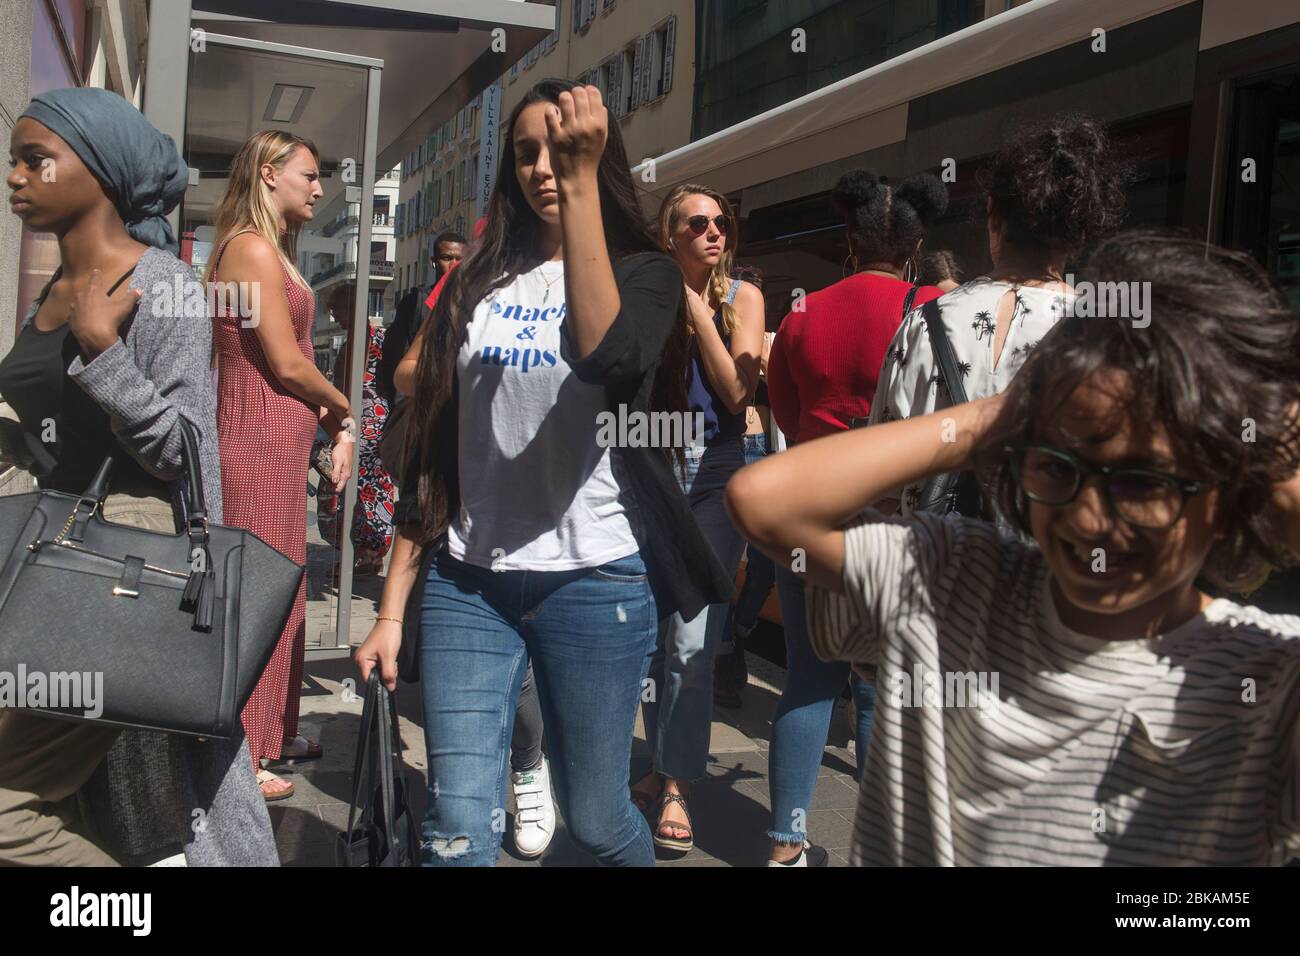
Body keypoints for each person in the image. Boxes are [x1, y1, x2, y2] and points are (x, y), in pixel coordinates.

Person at [728, 231, 1300, 866]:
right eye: (1058, 469)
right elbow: (766, 500)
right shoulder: (957, 577)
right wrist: (1013, 411)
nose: (1088, 518)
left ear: (1223, 492)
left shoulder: (1265, 681)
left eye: (1140, 483)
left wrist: (1265, 457)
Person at [356, 80, 731, 867]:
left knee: (596, 824)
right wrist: (392, 608)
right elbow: (435, 447)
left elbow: (607, 354)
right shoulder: (476, 279)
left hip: (595, 581)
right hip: (468, 586)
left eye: (560, 151)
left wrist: (585, 182)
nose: (542, 168)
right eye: (526, 152)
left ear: (596, 157)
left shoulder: (646, 274)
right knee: (455, 826)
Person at [0, 87, 276, 866]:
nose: (16, 178)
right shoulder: (51, 294)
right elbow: (50, 440)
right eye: (13, 160)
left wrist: (105, 353)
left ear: (97, 168)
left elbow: (186, 451)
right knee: (86, 808)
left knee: (11, 816)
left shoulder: (165, 285)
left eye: (35, 159)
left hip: (114, 585)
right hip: (46, 574)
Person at [763, 168, 948, 865]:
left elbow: (782, 414)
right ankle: (881, 842)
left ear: (849, 237)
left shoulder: (804, 314)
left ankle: (786, 844)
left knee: (807, 677)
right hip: (895, 519)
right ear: (916, 243)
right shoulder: (933, 306)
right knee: (878, 688)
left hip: (809, 510)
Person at [870, 114, 1127, 517]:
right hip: (1042, 568)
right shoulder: (1102, 330)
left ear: (993, 212)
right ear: (1079, 231)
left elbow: (880, 479)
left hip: (929, 565)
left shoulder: (922, 322)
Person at [206, 130, 354, 800]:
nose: (319, 189)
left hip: (277, 444)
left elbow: (292, 366)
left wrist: (330, 425)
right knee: (262, 599)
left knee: (285, 596)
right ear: (269, 174)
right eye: (310, 175)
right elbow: (288, 362)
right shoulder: (251, 247)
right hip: (256, 444)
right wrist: (346, 411)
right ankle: (246, 751)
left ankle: (276, 729)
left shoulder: (270, 249)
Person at [630, 185, 764, 852]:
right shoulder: (646, 292)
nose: (715, 233)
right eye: (698, 224)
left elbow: (739, 389)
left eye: (722, 223)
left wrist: (698, 312)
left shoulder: (743, 298)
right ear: (671, 236)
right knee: (657, 640)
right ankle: (658, 767)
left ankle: (677, 781)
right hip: (652, 470)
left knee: (690, 642)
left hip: (715, 474)